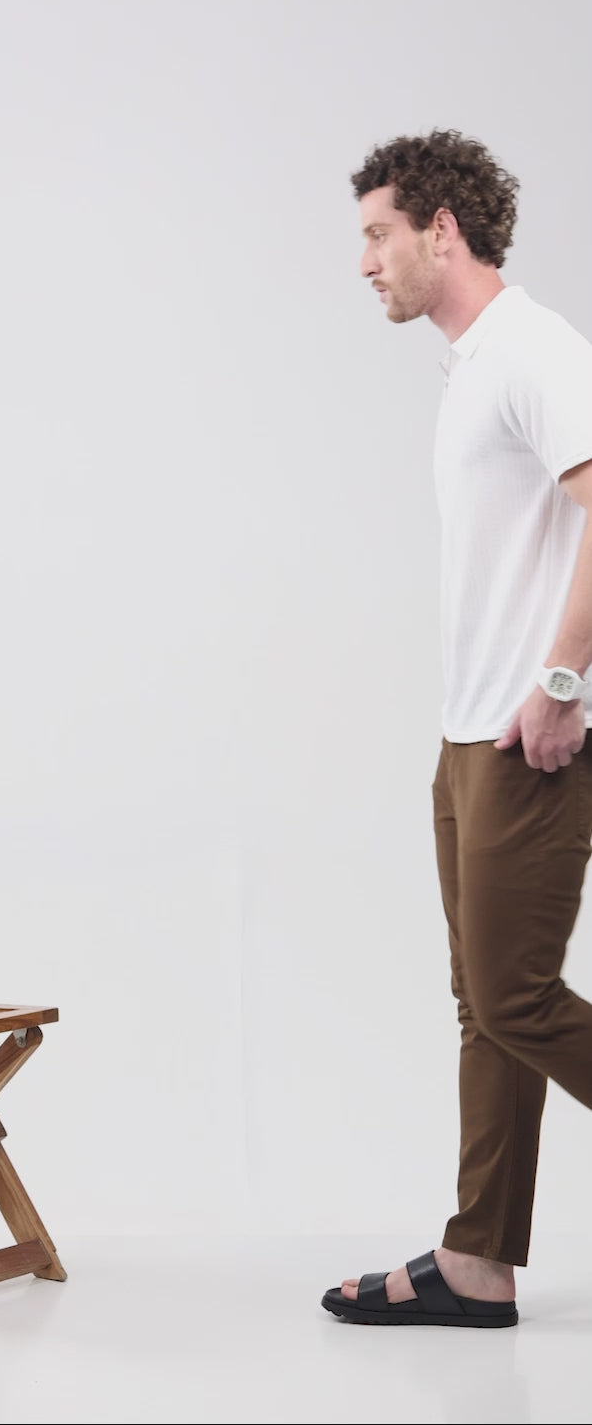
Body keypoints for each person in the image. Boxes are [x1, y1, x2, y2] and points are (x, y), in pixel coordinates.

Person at [321, 129, 592, 1328]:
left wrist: (561, 684)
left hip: (533, 735)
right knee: (483, 1006)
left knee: (514, 997)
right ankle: (477, 1259)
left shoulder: (532, 349)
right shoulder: (472, 367)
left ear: (440, 229)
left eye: (377, 235)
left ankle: (478, 1253)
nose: (363, 263)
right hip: (471, 734)